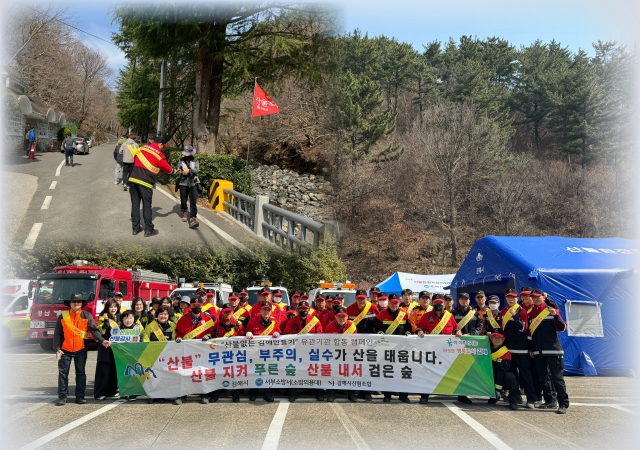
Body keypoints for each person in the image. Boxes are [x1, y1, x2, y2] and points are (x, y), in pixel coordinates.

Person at [53, 294, 108, 406]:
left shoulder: (86, 315)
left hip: (81, 349)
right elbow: (57, 334)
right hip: (65, 350)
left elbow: (94, 330)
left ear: (82, 304)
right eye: (74, 302)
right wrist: (57, 349)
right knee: (63, 374)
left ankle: (80, 396)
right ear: (69, 303)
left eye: (79, 302)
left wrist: (102, 340)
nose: (76, 304)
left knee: (81, 373)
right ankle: (62, 396)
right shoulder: (63, 316)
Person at [528, 289, 569, 414]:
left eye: (537, 297)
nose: (535, 299)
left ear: (543, 297)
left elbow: (562, 328)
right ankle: (550, 401)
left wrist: (555, 315)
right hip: (538, 352)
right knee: (543, 378)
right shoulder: (531, 313)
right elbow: (530, 334)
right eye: (533, 297)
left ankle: (563, 404)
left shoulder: (551, 310)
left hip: (553, 351)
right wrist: (531, 348)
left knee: (557, 378)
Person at [416, 294, 462, 404]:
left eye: (440, 303)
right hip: (432, 350)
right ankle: (424, 395)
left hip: (447, 350)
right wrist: (419, 332)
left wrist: (458, 332)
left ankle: (461, 395)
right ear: (432, 303)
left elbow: (456, 328)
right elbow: (419, 328)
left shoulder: (449, 316)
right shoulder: (426, 316)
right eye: (436, 303)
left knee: (454, 371)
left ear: (444, 303)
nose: (438, 305)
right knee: (428, 373)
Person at [128, 135, 173, 237]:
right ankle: (149, 229)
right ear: (160, 144)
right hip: (145, 182)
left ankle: (135, 229)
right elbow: (167, 168)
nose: (162, 148)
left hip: (133, 179)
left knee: (135, 204)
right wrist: (174, 171)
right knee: (147, 205)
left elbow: (135, 158)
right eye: (163, 146)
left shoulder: (142, 147)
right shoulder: (159, 155)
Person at [174, 298, 215, 405]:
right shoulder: (183, 320)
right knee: (184, 373)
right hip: (186, 351)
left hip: (202, 351)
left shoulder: (207, 319)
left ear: (202, 306)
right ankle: (182, 395)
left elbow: (211, 333)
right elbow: (178, 332)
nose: (196, 308)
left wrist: (208, 336)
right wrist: (178, 338)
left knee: (202, 373)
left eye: (198, 306)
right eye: (194, 306)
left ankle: (204, 395)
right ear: (190, 307)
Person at [500, 288, 536, 409]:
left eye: (513, 297)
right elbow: (502, 330)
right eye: (508, 297)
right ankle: (514, 398)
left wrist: (515, 316)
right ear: (506, 298)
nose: (510, 299)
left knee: (525, 375)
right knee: (511, 376)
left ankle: (531, 399)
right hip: (508, 350)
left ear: (517, 299)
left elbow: (523, 328)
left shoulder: (522, 311)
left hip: (521, 350)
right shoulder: (503, 311)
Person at [374, 293, 413, 403]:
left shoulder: (404, 314)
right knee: (388, 372)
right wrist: (381, 334)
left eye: (396, 303)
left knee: (403, 371)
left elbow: (409, 329)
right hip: (387, 349)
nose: (394, 305)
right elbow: (377, 329)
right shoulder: (381, 315)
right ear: (389, 303)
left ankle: (403, 395)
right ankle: (387, 395)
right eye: (392, 303)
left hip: (402, 349)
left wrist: (407, 333)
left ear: (398, 303)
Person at [205, 303, 246, 403]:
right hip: (219, 354)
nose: (227, 313)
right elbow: (210, 334)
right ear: (222, 312)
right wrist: (208, 336)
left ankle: (235, 392)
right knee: (219, 373)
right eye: (225, 311)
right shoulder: (216, 324)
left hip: (234, 354)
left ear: (232, 312)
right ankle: (217, 391)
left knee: (234, 373)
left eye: (229, 311)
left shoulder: (238, 325)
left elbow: (242, 340)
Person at [285, 300, 323, 402]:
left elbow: (320, 335)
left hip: (311, 351)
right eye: (301, 309)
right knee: (295, 371)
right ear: (297, 310)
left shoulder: (315, 321)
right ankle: (293, 392)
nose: (303, 311)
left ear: (309, 310)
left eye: (305, 309)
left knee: (314, 370)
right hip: (296, 351)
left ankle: (318, 392)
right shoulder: (292, 321)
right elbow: (287, 335)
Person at [245, 301, 281, 402]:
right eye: (264, 309)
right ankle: (253, 390)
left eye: (268, 310)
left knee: (267, 371)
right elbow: (246, 331)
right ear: (260, 310)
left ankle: (267, 392)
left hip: (269, 353)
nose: (266, 312)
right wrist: (247, 333)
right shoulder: (252, 321)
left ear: (271, 311)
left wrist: (278, 333)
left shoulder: (275, 322)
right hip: (255, 352)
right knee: (255, 370)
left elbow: (280, 331)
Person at [452, 292, 484, 404]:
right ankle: (459, 392)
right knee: (458, 369)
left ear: (469, 301)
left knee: (468, 370)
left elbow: (480, 326)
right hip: (457, 345)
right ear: (459, 301)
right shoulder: (453, 312)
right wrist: (457, 332)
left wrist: (471, 335)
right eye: (462, 299)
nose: (464, 301)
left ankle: (464, 394)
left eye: (466, 299)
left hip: (471, 345)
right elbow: (450, 326)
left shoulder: (475, 313)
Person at [324, 306, 355, 402]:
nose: (342, 318)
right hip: (334, 354)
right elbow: (326, 343)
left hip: (348, 353)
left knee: (350, 373)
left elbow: (354, 342)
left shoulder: (352, 326)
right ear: (335, 317)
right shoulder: (329, 327)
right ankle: (332, 394)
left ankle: (351, 394)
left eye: (344, 316)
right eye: (339, 316)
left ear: (347, 317)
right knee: (332, 372)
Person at [94, 299, 120, 400]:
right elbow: (102, 332)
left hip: (115, 348)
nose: (113, 309)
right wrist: (105, 321)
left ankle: (111, 391)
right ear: (107, 308)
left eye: (115, 306)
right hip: (105, 347)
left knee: (113, 370)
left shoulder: (118, 317)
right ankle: (100, 393)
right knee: (104, 371)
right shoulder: (102, 317)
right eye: (111, 306)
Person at [487, 331, 519, 410]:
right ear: (491, 338)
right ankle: (493, 396)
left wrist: (497, 389)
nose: (497, 340)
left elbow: (502, 371)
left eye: (499, 338)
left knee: (510, 377)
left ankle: (512, 400)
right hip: (490, 377)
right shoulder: (486, 349)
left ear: (503, 339)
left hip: (502, 379)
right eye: (494, 337)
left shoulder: (506, 353)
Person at [176, 145, 200, 228]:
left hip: (192, 182)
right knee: (183, 199)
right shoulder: (181, 160)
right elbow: (177, 169)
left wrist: (189, 170)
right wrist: (178, 171)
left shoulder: (195, 160)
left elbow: (197, 170)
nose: (187, 155)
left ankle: (193, 218)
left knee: (193, 200)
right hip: (183, 182)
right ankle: (184, 212)